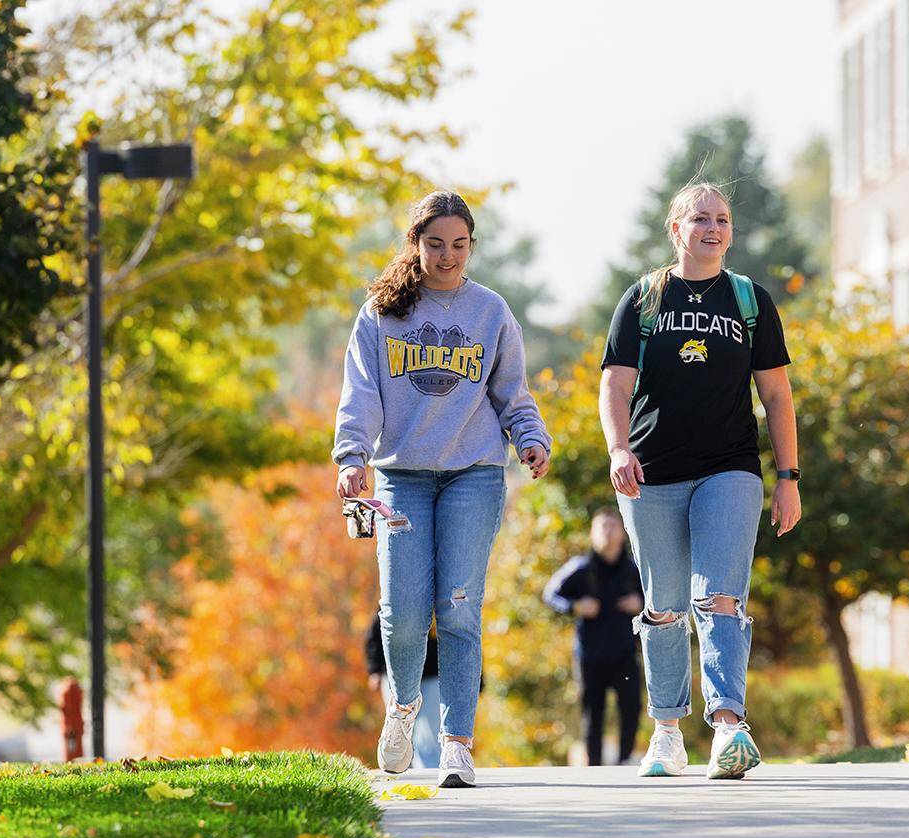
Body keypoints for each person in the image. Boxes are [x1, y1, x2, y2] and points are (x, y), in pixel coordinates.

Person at [334, 190, 552, 789]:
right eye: (435, 244)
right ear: (415, 244)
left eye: (459, 245)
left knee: (458, 608)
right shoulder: (382, 313)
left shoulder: (490, 311)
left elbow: (513, 393)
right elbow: (361, 393)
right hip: (399, 477)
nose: (447, 256)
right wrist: (351, 456)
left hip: (474, 474)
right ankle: (403, 710)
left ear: (472, 247)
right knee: (402, 613)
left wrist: (531, 439)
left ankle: (457, 743)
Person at [598, 181, 801, 780]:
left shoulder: (750, 301)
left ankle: (729, 727)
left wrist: (788, 477)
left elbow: (777, 396)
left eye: (723, 220)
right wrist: (617, 448)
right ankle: (665, 732)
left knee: (720, 596)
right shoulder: (643, 299)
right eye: (701, 219)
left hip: (730, 467)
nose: (714, 229)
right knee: (663, 608)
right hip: (650, 472)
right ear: (676, 229)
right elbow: (613, 383)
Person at [543, 507, 644, 766]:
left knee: (631, 708)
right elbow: (551, 594)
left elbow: (658, 598)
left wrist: (641, 603)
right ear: (592, 534)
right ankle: (595, 767)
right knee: (592, 713)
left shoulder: (636, 569)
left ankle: (625, 761)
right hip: (590, 654)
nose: (608, 533)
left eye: (613, 526)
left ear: (623, 533)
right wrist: (576, 606)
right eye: (602, 527)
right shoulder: (580, 567)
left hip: (625, 652)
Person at [364, 615, 442, 769]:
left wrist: (476, 681)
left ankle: (427, 771)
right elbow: (375, 635)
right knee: (400, 726)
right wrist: (374, 670)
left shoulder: (442, 603)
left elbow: (462, 638)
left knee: (428, 732)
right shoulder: (402, 597)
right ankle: (399, 767)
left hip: (433, 676)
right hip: (397, 677)